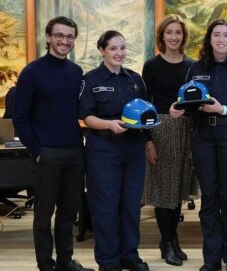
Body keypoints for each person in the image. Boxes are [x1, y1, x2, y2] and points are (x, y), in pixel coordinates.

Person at [170, 19, 227, 271]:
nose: (221, 39)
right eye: (216, 35)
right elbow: (184, 104)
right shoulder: (196, 68)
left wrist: (222, 108)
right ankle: (211, 260)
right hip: (202, 137)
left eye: (226, 35)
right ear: (209, 39)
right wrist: (176, 109)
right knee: (209, 199)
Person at [12, 16, 93, 271]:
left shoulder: (76, 72)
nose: (64, 40)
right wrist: (36, 151)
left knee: (69, 212)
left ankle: (65, 261)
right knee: (44, 214)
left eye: (69, 36)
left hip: (73, 150)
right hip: (45, 153)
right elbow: (20, 116)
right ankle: (46, 264)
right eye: (59, 35)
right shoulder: (32, 72)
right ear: (48, 37)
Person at [79, 31, 149, 271]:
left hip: (133, 149)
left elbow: (145, 113)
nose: (119, 53)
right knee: (105, 206)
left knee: (131, 205)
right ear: (102, 50)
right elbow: (86, 117)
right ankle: (108, 261)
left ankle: (130, 255)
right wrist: (109, 124)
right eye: (113, 49)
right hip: (103, 149)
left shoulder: (135, 79)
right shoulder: (91, 80)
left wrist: (148, 138)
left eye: (122, 48)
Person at [142, 14, 199, 266]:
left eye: (178, 32)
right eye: (169, 32)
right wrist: (148, 140)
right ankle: (166, 242)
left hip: (186, 129)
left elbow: (196, 101)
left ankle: (173, 239)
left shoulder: (192, 65)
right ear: (162, 37)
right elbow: (145, 105)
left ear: (183, 36)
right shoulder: (152, 66)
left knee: (178, 190)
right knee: (164, 189)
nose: (174, 36)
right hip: (161, 129)